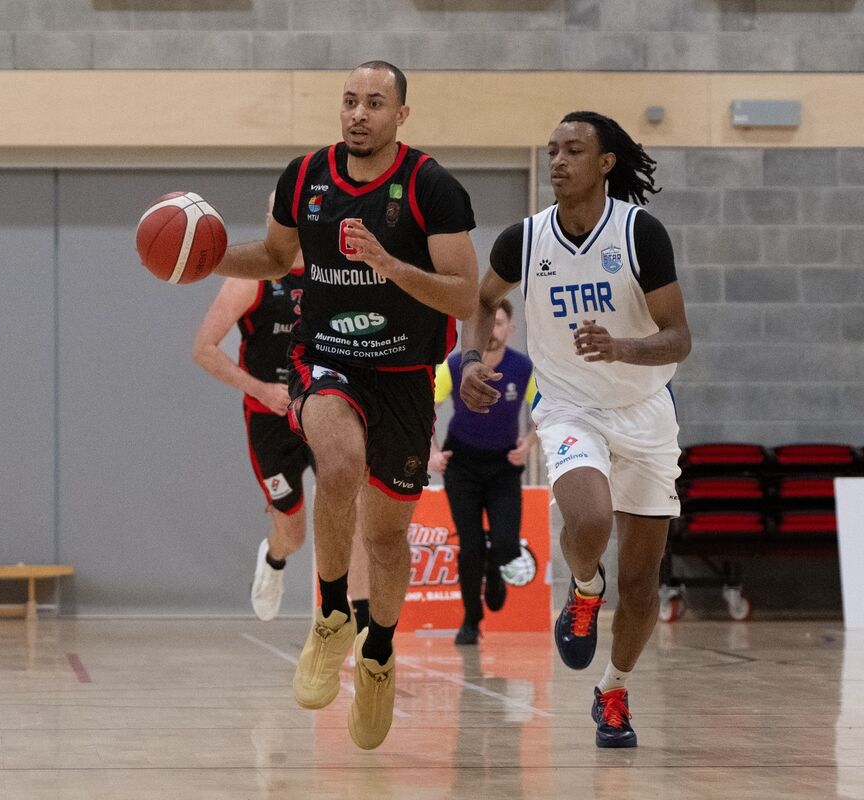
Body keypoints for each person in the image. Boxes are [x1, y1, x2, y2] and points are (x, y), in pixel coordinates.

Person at [209, 61, 479, 749]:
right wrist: (206, 258)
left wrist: (389, 264)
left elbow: (464, 295)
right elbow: (274, 257)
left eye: (375, 103)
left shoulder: (431, 187)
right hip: (326, 357)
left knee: (386, 539)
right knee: (336, 464)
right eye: (351, 101)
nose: (360, 113)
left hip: (406, 373)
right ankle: (331, 614)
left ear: (401, 115)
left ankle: (379, 652)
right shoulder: (305, 176)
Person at [457, 111, 690, 748]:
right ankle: (585, 589)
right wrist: (472, 359)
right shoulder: (525, 239)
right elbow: (482, 299)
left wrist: (622, 348)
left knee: (640, 584)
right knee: (588, 521)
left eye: (574, 150)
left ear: (606, 162)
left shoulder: (639, 234)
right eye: (552, 149)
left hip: (645, 410)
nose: (558, 161)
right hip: (568, 408)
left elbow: (678, 337)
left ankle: (613, 691)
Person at [192, 196, 371, 627]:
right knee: (294, 534)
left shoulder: (334, 272)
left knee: (353, 512)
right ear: (270, 219)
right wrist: (260, 389)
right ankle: (274, 558)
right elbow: (203, 349)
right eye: (279, 212)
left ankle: (366, 625)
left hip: (325, 410)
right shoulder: (250, 278)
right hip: (269, 418)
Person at [429, 297, 536, 646]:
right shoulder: (454, 365)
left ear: (510, 328)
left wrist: (528, 442)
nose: (492, 330)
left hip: (504, 465)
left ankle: (496, 569)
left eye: (499, 323)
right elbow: (426, 407)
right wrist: (432, 452)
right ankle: (471, 620)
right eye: (486, 324)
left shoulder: (523, 368)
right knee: (470, 546)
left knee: (506, 545)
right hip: (462, 464)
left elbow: (545, 409)